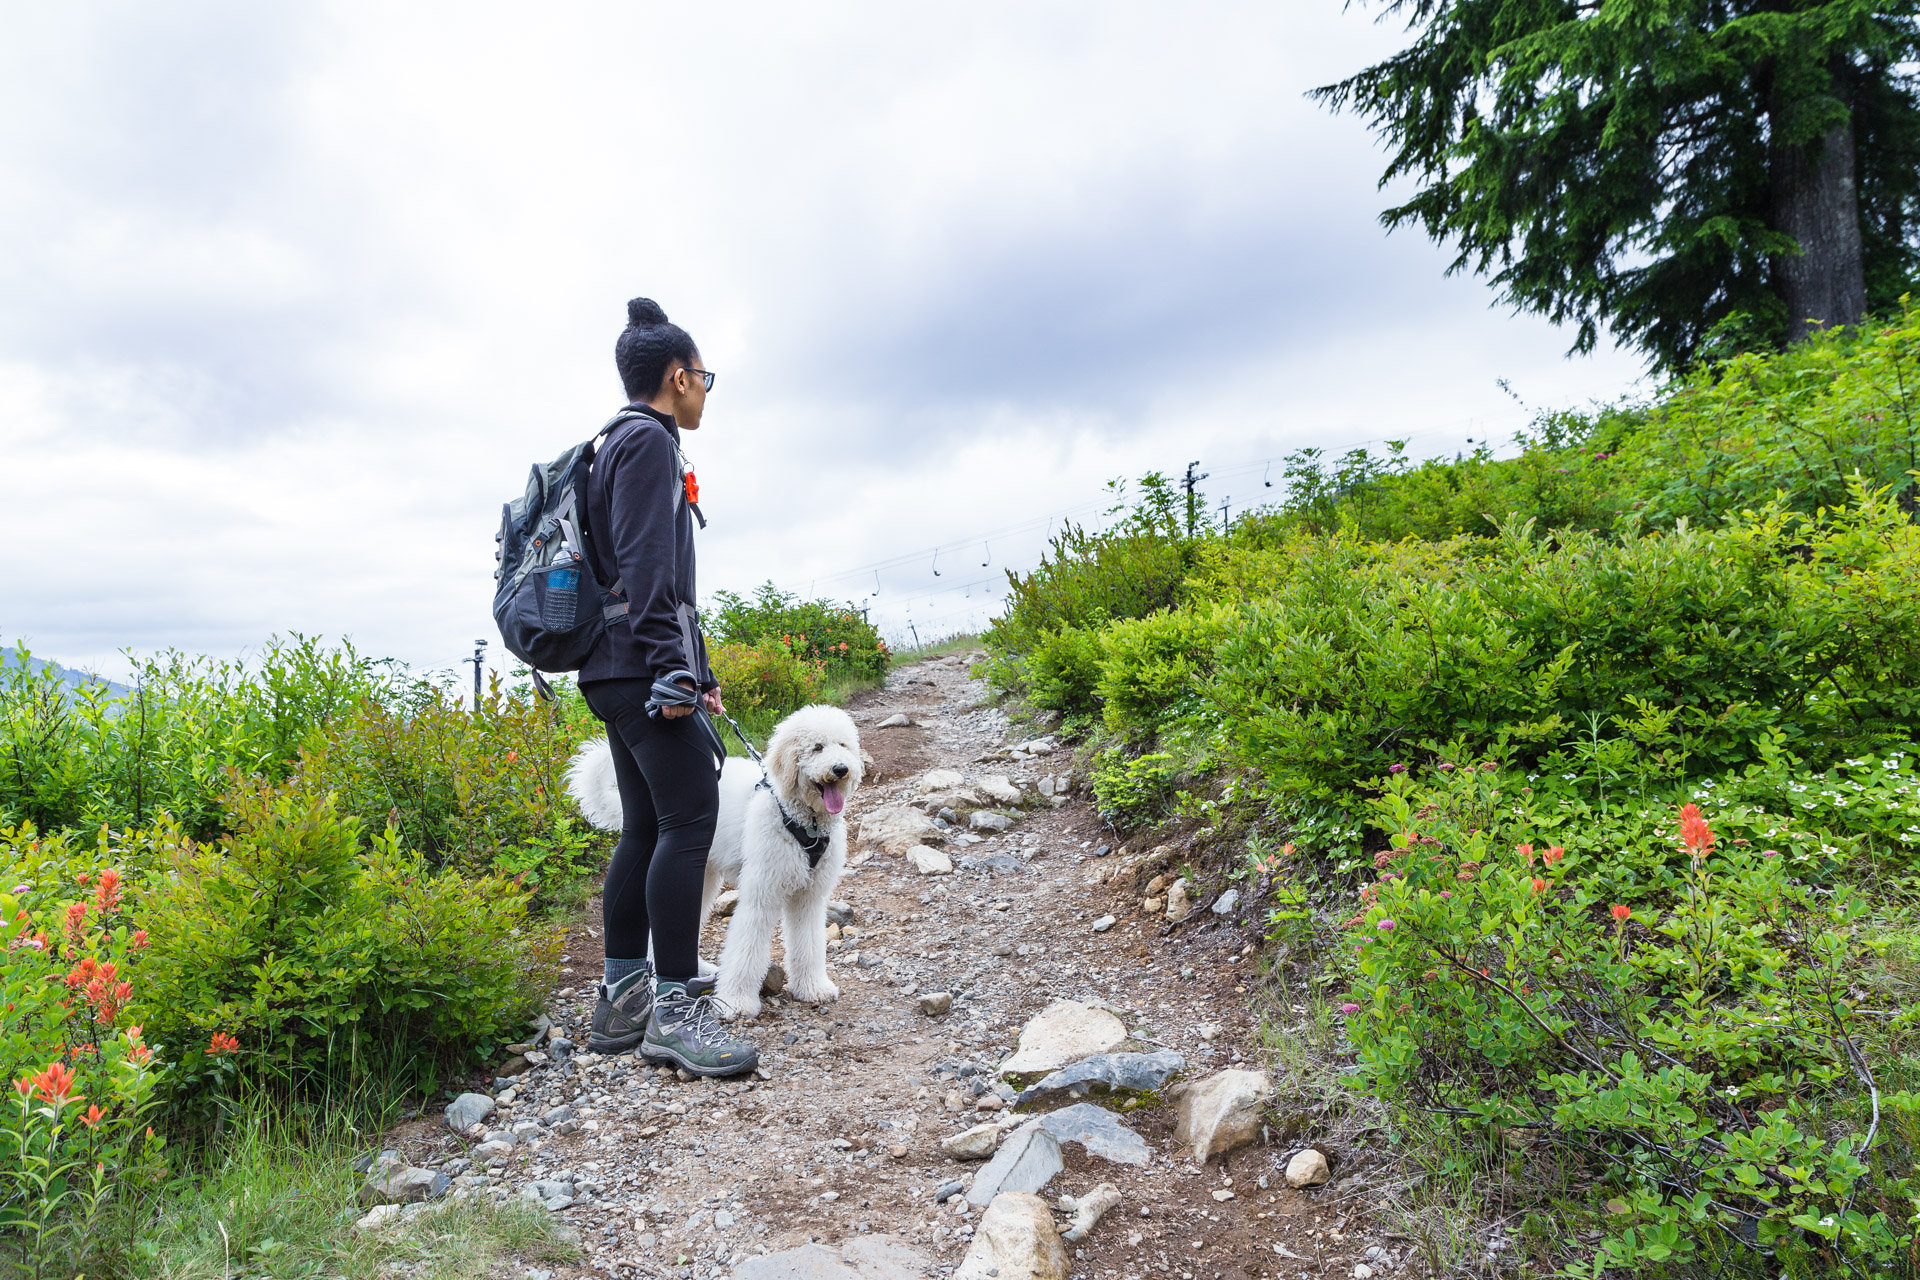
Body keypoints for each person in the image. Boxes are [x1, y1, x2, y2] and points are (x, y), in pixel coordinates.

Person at [578, 296, 757, 1077]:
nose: (705, 392)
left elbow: (641, 576)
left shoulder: (606, 444)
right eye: (704, 378)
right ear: (679, 376)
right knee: (690, 822)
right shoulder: (649, 443)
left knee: (645, 829)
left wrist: (698, 670)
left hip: (609, 666)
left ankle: (622, 1004)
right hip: (642, 666)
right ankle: (677, 1011)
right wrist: (674, 670)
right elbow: (652, 570)